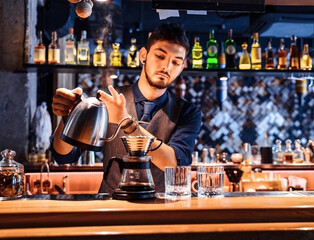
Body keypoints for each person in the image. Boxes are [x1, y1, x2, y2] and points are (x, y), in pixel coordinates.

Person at [50, 23, 202, 194]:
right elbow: (64, 156)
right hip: (111, 206)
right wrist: (67, 118)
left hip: (160, 208)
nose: (166, 67)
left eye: (175, 62)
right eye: (160, 56)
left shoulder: (188, 113)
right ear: (143, 55)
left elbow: (175, 163)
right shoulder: (109, 100)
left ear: (182, 68)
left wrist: (127, 123)